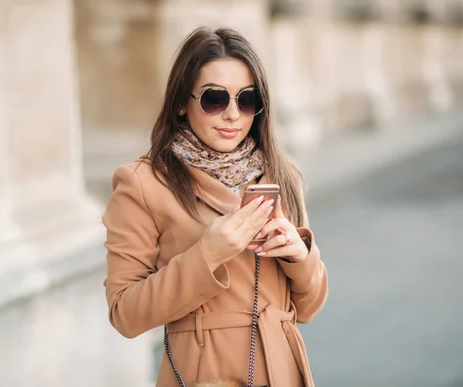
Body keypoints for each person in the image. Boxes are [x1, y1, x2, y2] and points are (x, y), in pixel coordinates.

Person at [102, 26, 328, 387]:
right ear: (181, 103)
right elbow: (125, 314)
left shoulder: (284, 175)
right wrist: (207, 255)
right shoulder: (142, 183)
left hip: (283, 371)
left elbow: (309, 308)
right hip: (204, 375)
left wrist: (300, 257)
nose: (233, 115)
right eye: (214, 99)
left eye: (247, 99)